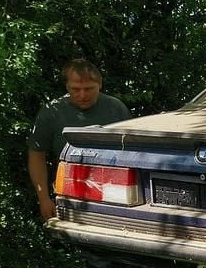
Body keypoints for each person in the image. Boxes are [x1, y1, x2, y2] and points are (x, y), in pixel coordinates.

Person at [27, 59, 131, 220]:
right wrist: (44, 199)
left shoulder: (116, 108)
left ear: (100, 84)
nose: (82, 95)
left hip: (113, 191)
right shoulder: (52, 112)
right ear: (66, 87)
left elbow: (131, 152)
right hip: (70, 192)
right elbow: (36, 154)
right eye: (75, 89)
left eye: (89, 89)